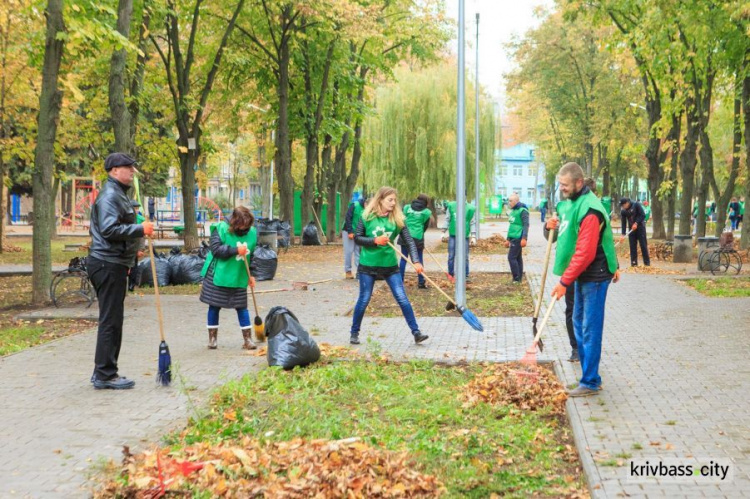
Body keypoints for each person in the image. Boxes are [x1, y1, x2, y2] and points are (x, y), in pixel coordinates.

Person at [545, 162, 620, 397]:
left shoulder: (591, 210)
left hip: (595, 276)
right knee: (578, 322)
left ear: (579, 183)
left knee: (590, 328)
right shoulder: (571, 203)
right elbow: (562, 236)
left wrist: (564, 282)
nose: (562, 189)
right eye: (560, 185)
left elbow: (585, 253)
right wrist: (549, 229)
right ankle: (589, 377)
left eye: (565, 185)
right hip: (580, 274)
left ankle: (590, 381)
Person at [88, 152, 154, 390]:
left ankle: (104, 371)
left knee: (112, 319)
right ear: (115, 170)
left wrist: (131, 249)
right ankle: (105, 374)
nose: (132, 172)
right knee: (111, 320)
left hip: (113, 262)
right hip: (107, 264)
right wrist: (139, 229)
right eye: (128, 168)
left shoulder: (119, 194)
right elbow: (108, 229)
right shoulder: (110, 196)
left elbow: (113, 229)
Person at [350, 186, 428, 346]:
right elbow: (357, 238)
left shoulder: (398, 219)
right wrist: (374, 241)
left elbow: (409, 241)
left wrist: (416, 261)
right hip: (368, 265)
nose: (393, 203)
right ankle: (354, 333)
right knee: (364, 299)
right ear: (380, 200)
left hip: (390, 266)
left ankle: (416, 332)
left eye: (394, 200)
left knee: (402, 298)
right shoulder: (366, 217)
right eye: (390, 200)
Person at [199, 206, 257, 350]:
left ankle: (248, 339)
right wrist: (235, 250)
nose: (246, 228)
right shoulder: (221, 228)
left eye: (248, 224)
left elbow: (252, 255)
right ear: (235, 222)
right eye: (243, 224)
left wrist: (252, 274)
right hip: (218, 274)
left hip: (239, 275)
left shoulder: (252, 232)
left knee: (242, 307)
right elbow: (216, 250)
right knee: (214, 305)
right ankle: (212, 339)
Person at [399, 194, 432, 288]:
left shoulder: (406, 207)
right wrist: (420, 234)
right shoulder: (426, 212)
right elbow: (425, 226)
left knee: (403, 259)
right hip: (417, 237)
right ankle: (421, 282)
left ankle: (400, 282)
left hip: (405, 235)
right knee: (419, 259)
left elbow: (401, 220)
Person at [442, 200, 476, 280]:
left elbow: (472, 222)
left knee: (465, 256)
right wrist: (443, 231)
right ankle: (451, 274)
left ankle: (466, 275)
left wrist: (473, 236)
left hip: (464, 236)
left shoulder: (470, 208)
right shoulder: (451, 206)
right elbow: (447, 219)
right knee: (451, 256)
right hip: (453, 235)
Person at [504, 193, 529, 283]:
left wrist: (524, 238)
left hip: (519, 237)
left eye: (511, 201)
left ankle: (516, 278)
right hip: (513, 236)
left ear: (516, 201)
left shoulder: (523, 211)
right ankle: (518, 278)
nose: (509, 202)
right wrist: (508, 239)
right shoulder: (513, 211)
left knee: (511, 257)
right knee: (517, 258)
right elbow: (511, 226)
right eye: (509, 200)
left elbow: (526, 225)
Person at [619, 197, 650, 267]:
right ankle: (634, 263)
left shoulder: (636, 204)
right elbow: (623, 223)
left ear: (627, 203)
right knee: (632, 246)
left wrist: (636, 223)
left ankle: (647, 264)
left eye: (623, 205)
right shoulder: (623, 211)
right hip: (631, 230)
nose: (622, 207)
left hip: (640, 227)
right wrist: (623, 234)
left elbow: (643, 215)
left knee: (643, 245)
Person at [342, 196, 365, 279]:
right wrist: (350, 231)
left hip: (359, 233)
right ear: (364, 203)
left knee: (358, 252)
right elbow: (348, 218)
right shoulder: (354, 205)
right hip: (348, 230)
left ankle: (359, 271)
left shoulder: (368, 209)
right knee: (349, 251)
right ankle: (348, 271)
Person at [127, 200, 145, 292]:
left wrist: (140, 249)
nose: (136, 210)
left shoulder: (140, 220)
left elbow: (142, 237)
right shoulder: (125, 219)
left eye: (137, 208)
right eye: (135, 208)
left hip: (135, 247)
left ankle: (132, 284)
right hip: (126, 247)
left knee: (133, 266)